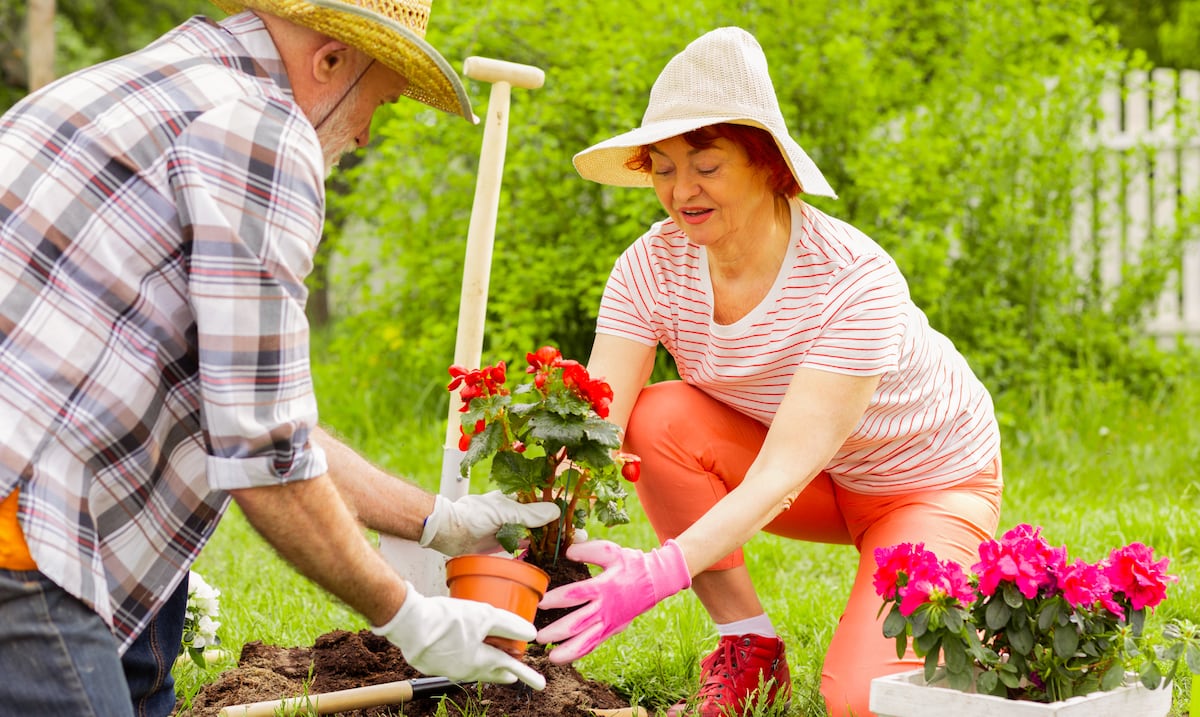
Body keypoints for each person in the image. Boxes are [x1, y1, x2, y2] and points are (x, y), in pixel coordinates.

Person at [0, 0, 562, 714]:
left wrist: (437, 521)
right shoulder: (264, 132)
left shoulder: (131, 88)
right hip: (20, 524)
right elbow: (268, 459)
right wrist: (413, 618)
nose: (362, 136)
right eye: (378, 104)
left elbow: (248, 411)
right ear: (329, 61)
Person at [535, 26, 1003, 717]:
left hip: (923, 483)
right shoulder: (650, 267)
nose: (680, 189)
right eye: (662, 166)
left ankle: (987, 632)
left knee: (863, 701)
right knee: (655, 417)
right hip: (821, 481)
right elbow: (596, 423)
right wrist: (528, 533)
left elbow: (780, 472)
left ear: (769, 165)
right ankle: (748, 648)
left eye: (706, 164)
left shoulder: (853, 281)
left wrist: (660, 571)